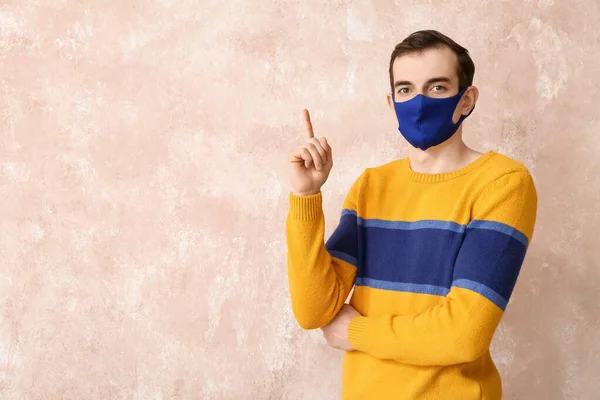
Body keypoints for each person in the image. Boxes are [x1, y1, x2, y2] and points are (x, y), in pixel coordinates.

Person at [286, 30, 538, 399]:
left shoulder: (502, 183)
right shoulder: (371, 186)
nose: (418, 103)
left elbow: (463, 335)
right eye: (405, 90)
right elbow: (313, 311)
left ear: (466, 99)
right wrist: (306, 195)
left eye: (437, 88)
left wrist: (356, 332)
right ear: (391, 104)